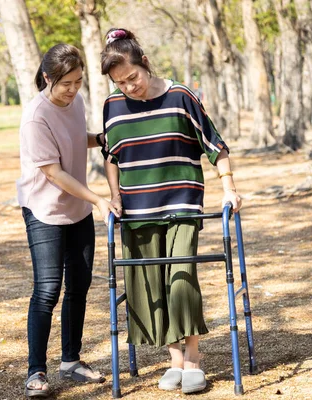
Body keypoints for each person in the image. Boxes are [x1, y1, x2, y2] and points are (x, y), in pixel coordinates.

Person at [99, 28, 242, 394]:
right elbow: (111, 156)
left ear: (145, 63)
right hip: (136, 210)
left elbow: (215, 145)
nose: (129, 87)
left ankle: (193, 359)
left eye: (133, 77)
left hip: (181, 205)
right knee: (149, 287)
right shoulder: (112, 107)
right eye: (121, 83)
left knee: (180, 280)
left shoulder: (181, 96)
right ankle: (174, 360)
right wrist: (114, 196)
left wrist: (229, 187)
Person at [16, 43, 120, 398]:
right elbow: (54, 172)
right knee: (48, 289)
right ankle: (36, 372)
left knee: (79, 283)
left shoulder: (75, 103)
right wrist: (98, 199)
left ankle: (71, 361)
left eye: (78, 81)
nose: (74, 89)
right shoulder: (35, 117)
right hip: (44, 210)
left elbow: (76, 139)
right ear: (48, 78)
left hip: (77, 208)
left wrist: (102, 139)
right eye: (66, 83)